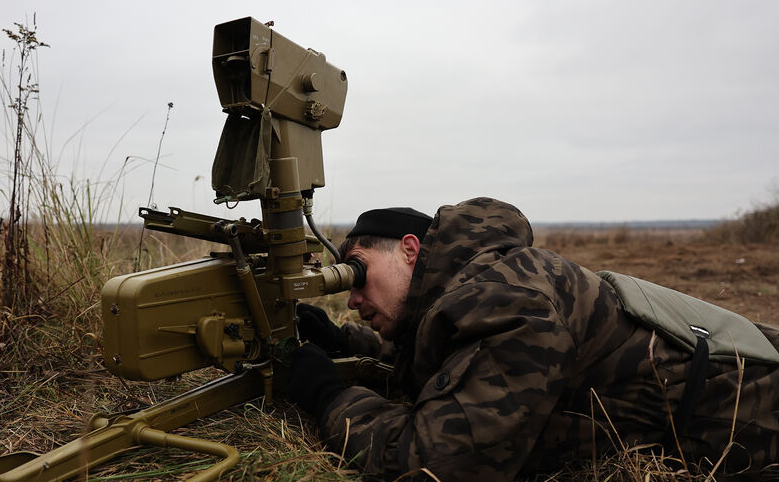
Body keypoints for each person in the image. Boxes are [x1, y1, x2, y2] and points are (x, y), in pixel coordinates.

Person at [286, 197, 779, 481]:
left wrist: (329, 396)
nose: (352, 297)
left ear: (410, 251)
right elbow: (455, 363)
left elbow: (437, 465)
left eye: (357, 272)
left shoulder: (504, 296)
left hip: (761, 424)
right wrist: (344, 341)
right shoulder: (484, 282)